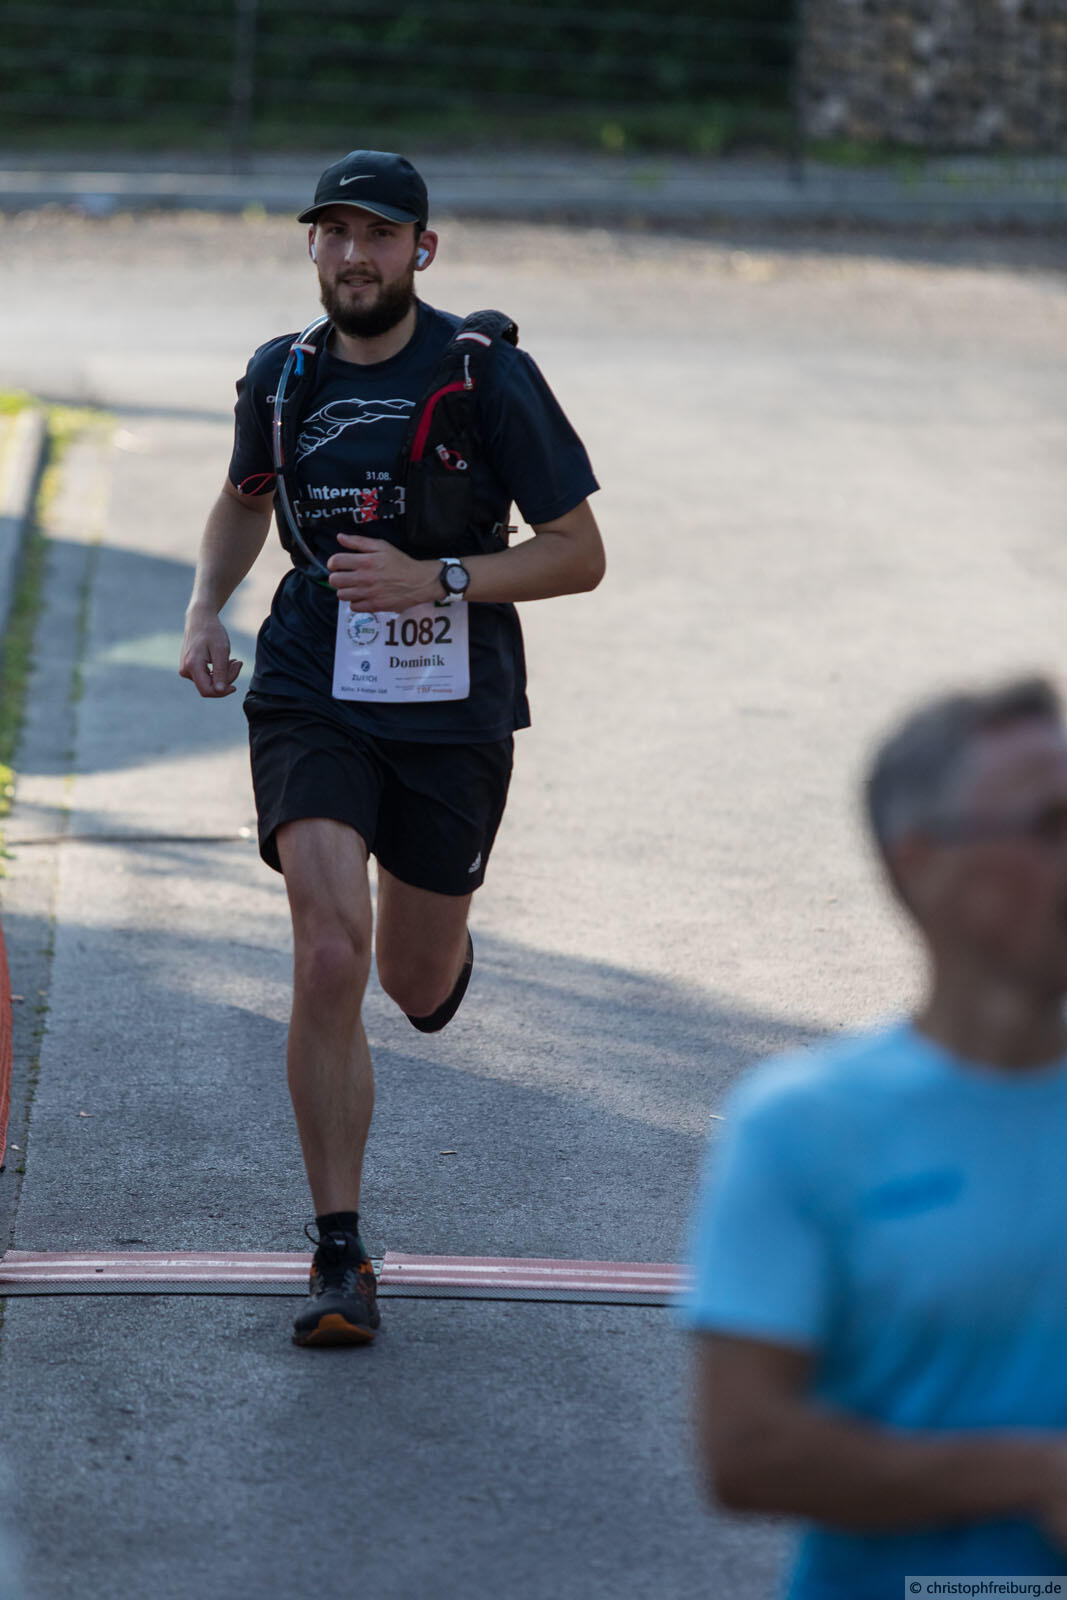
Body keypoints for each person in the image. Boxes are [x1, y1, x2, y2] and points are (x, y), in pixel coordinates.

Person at [178, 150, 603, 1347]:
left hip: (451, 703)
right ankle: (338, 1250)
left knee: (409, 982)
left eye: (379, 235)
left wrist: (438, 576)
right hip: (312, 682)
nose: (354, 255)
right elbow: (245, 499)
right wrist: (205, 608)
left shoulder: (482, 373)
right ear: (311, 246)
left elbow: (577, 552)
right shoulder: (283, 374)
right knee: (327, 952)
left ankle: (440, 959)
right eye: (335, 233)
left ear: (422, 249)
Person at [682, 676, 1067, 1597]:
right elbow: (745, 1449)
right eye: (1050, 825)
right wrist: (1031, 1476)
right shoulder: (801, 1126)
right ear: (921, 863)